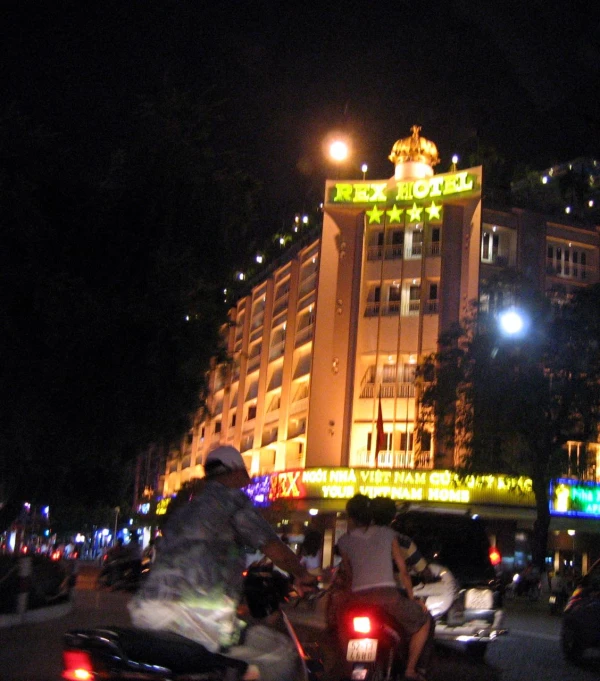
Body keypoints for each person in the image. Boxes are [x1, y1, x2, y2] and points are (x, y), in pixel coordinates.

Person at [129, 445, 317, 681]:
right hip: (198, 617)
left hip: (150, 613)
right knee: (280, 654)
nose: (246, 481)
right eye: (244, 473)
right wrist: (302, 575)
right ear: (235, 470)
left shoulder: (187, 509)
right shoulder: (231, 502)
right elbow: (274, 548)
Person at [336, 494, 431, 681]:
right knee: (424, 621)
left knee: (342, 626)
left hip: (357, 599)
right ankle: (410, 670)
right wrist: (412, 599)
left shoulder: (344, 542)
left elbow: (349, 575)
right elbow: (404, 571)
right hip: (388, 597)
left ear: (351, 517)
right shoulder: (389, 535)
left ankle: (348, 666)